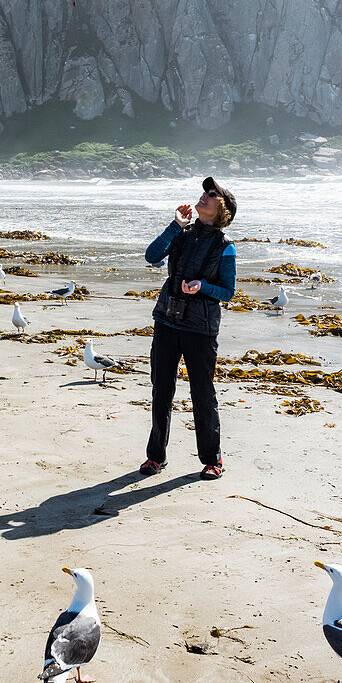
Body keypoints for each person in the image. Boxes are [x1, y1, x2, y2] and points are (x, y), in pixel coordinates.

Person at [140, 176, 237, 480]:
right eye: (204, 192)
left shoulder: (226, 246)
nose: (204, 196)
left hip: (201, 328)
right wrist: (175, 225)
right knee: (161, 390)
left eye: (211, 194)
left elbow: (227, 291)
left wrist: (203, 286)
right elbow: (152, 256)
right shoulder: (182, 234)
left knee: (202, 393)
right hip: (167, 320)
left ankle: (213, 459)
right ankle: (155, 457)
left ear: (222, 209)